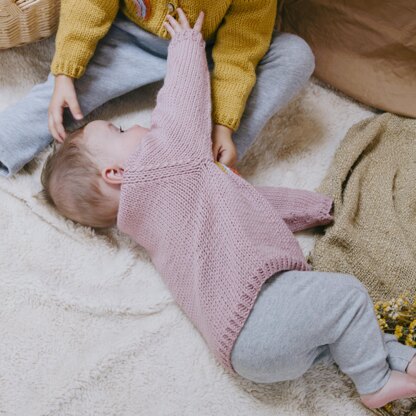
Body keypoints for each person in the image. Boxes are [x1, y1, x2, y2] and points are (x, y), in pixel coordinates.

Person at [40, 11, 416, 410]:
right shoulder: (162, 164)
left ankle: (404, 360)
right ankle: (373, 382)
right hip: (259, 306)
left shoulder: (152, 223)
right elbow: (181, 103)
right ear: (116, 173)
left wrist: (318, 208)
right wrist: (187, 43)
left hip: (243, 350)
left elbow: (250, 205)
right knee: (347, 297)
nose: (132, 127)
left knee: (339, 329)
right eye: (117, 132)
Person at [0, 0, 315, 177]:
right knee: (64, 95)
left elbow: (242, 47)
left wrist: (223, 124)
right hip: (130, 39)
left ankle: (205, 169)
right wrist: (66, 70)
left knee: (295, 56)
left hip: (210, 51)